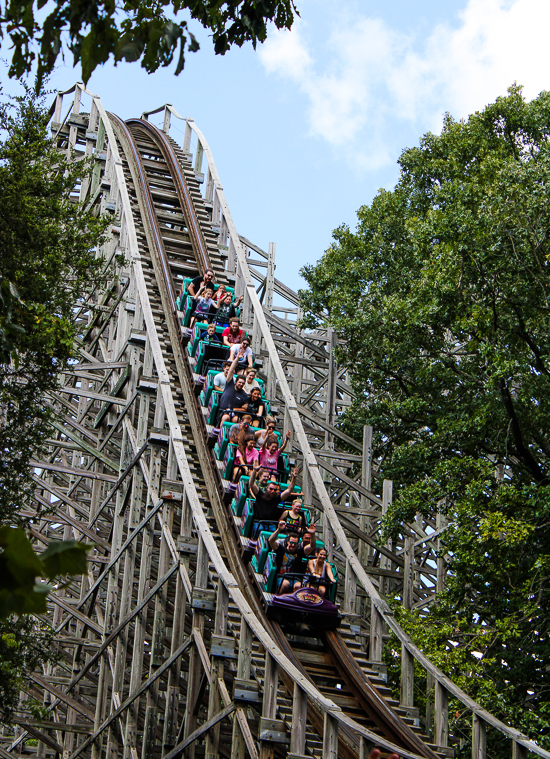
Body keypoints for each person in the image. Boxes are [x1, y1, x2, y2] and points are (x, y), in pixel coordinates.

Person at [268, 522, 316, 594]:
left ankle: (292, 601)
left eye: (295, 543)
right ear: (287, 542)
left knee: (298, 586)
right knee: (285, 584)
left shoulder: (299, 551)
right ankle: (278, 597)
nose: (293, 545)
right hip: (282, 576)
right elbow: (271, 541)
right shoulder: (281, 549)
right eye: (291, 542)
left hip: (295, 578)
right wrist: (278, 530)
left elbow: (312, 546)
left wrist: (312, 534)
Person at [218, 353, 250, 425]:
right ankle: (221, 433)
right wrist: (237, 359)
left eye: (243, 383)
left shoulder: (244, 395)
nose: (241, 384)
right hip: (224, 411)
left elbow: (244, 408)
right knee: (226, 418)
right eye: (240, 382)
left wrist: (234, 409)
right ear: (236, 382)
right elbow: (231, 371)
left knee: (236, 420)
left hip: (235, 413)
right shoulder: (229, 385)